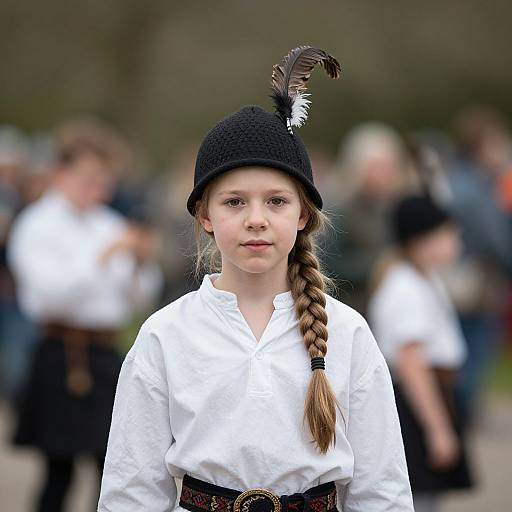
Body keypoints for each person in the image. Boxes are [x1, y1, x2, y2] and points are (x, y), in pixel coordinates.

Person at [98, 46, 413, 512]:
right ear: (204, 214)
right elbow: (131, 490)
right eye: (234, 202)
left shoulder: (348, 333)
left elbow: (381, 489)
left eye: (276, 201)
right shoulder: (165, 335)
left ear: (304, 213)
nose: (256, 219)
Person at [7, 117, 163, 512]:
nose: (98, 188)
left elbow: (136, 300)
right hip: (58, 349)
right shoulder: (36, 224)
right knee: (58, 469)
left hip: (104, 352)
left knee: (109, 462)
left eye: (104, 178)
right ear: (61, 173)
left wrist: (140, 265)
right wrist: (104, 257)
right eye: (88, 177)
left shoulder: (109, 223)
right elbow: (49, 296)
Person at [368, 194, 474, 512]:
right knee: (416, 498)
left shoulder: (422, 278)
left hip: (431, 395)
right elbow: (412, 364)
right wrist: (437, 429)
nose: (457, 239)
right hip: (413, 405)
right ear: (423, 239)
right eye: (449, 232)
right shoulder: (404, 287)